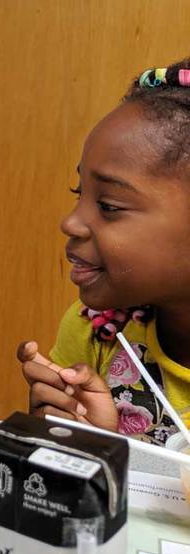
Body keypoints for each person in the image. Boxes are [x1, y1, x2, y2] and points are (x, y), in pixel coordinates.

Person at [19, 57, 190, 445]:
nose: (71, 223)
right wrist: (89, 444)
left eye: (109, 205)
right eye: (79, 194)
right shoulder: (98, 329)